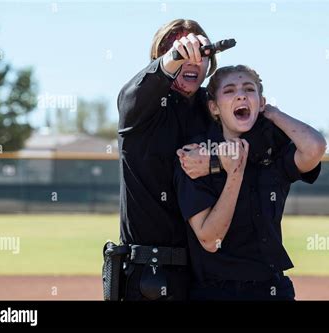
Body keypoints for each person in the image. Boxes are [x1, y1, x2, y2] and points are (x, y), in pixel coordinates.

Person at [115, 19, 289, 300]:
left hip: (199, 278)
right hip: (148, 274)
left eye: (200, 53)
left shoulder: (208, 107)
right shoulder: (139, 106)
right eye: (181, 52)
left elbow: (259, 143)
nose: (191, 60)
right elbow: (135, 91)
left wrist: (214, 158)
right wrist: (173, 57)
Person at [174, 65, 327, 300]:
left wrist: (273, 113)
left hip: (272, 287)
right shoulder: (196, 155)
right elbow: (209, 239)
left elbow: (315, 147)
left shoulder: (272, 149)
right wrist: (234, 174)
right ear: (214, 107)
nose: (241, 95)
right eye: (229, 90)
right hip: (216, 292)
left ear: (260, 101)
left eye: (249, 89)